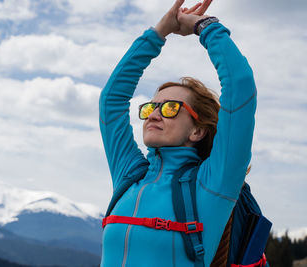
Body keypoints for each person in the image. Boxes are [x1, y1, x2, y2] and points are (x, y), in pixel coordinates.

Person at [99, 0, 257, 266]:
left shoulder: (213, 183)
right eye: (151, 106)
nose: (154, 114)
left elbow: (240, 88)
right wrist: (159, 31)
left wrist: (206, 28)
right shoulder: (130, 175)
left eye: (171, 108)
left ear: (197, 130)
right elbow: (111, 101)